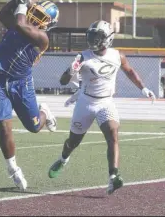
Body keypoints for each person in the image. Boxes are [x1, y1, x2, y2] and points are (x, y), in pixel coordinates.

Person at [48, 20, 156, 195]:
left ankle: (113, 176)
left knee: (113, 133)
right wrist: (71, 70)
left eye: (97, 37)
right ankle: (63, 158)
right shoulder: (83, 56)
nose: (93, 40)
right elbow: (63, 81)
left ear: (108, 38)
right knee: (72, 142)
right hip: (86, 102)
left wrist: (143, 88)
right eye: (91, 36)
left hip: (106, 102)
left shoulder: (116, 55)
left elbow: (129, 71)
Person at [0, 0, 58, 191]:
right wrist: (14, 1)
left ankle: (44, 111)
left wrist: (22, 4)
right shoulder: (19, 24)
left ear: (48, 24)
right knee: (3, 125)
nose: (34, 17)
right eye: (34, 12)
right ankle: (13, 168)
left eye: (41, 17)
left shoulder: (41, 38)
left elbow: (19, 23)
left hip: (21, 84)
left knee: (34, 127)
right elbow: (2, 16)